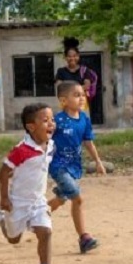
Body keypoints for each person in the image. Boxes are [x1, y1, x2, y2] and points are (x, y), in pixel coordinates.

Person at [0, 103, 61, 264]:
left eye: (52, 119)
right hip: (17, 203)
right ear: (31, 127)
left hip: (38, 202)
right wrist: (4, 198)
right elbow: (3, 172)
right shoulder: (21, 150)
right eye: (45, 121)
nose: (51, 123)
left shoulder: (51, 145)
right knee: (14, 239)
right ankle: (1, 217)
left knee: (46, 232)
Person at [48, 81, 106, 254]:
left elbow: (88, 142)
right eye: (76, 95)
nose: (82, 98)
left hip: (74, 168)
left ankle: (35, 215)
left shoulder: (84, 119)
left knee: (60, 200)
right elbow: (44, 138)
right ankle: (84, 238)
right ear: (64, 101)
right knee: (78, 199)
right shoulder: (57, 120)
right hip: (58, 167)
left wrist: (98, 161)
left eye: (83, 94)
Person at [54, 37, 97, 112]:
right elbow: (59, 88)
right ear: (65, 57)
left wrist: (69, 91)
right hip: (66, 106)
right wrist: (79, 89)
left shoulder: (84, 70)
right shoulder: (61, 71)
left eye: (74, 56)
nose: (72, 58)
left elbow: (87, 86)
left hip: (81, 105)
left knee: (82, 123)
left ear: (78, 56)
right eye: (69, 56)